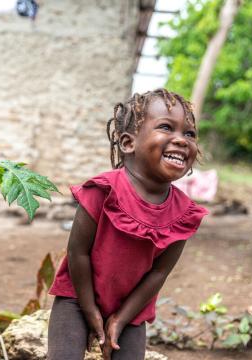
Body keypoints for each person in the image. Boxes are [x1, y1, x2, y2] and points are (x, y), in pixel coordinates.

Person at [47, 89, 209, 360]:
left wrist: (120, 319)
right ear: (127, 142)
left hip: (131, 309)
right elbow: (78, 253)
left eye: (189, 134)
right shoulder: (103, 190)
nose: (181, 140)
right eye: (166, 127)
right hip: (77, 298)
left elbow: (158, 274)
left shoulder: (183, 214)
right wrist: (90, 310)